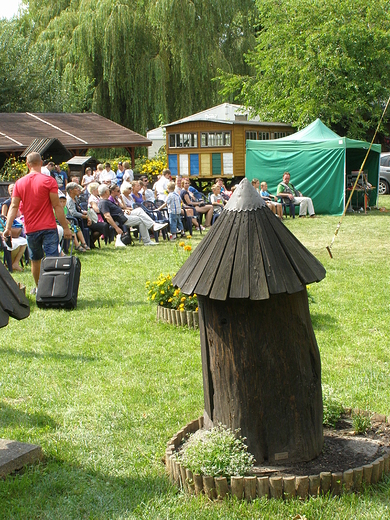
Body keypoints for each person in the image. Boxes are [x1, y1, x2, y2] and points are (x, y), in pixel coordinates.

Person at [3, 152, 72, 293]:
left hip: (31, 229)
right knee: (53, 258)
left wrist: (8, 228)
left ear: (27, 165)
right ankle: (55, 290)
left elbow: (13, 207)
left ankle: (40, 288)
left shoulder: (19, 183)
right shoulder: (49, 181)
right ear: (41, 163)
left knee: (35, 260)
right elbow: (57, 206)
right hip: (48, 227)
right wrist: (65, 228)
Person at [97, 184, 167, 246]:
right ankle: (148, 238)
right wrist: (116, 228)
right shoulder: (103, 203)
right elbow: (107, 216)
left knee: (139, 210)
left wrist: (124, 210)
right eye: (108, 190)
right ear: (106, 192)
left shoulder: (106, 201)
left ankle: (153, 226)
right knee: (141, 219)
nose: (109, 191)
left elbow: (115, 211)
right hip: (120, 219)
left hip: (123, 214)